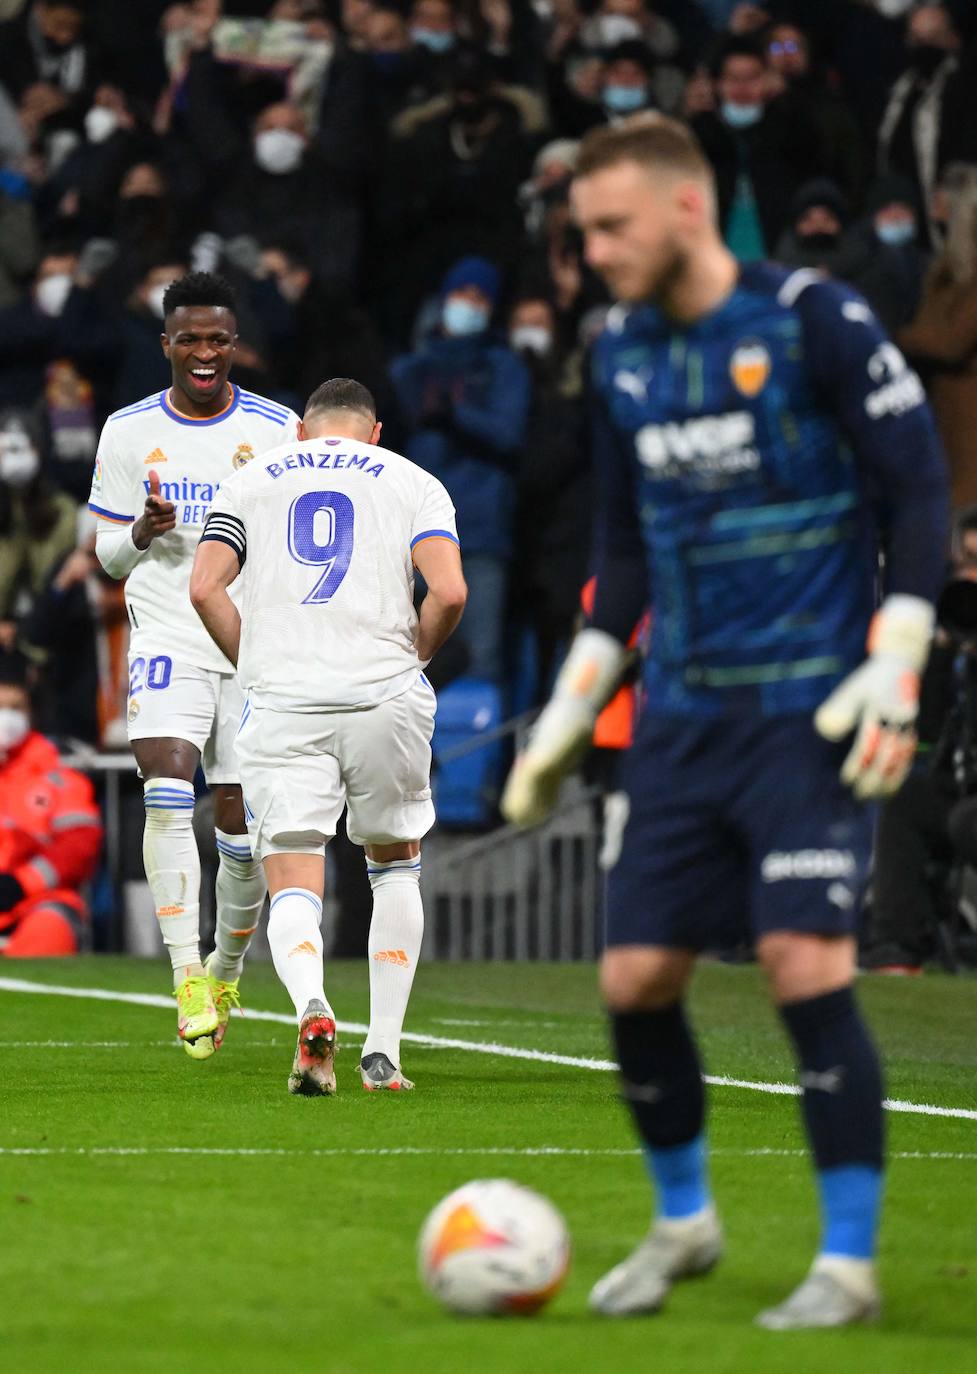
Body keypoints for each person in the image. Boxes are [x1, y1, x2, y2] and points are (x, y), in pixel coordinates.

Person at [502, 114, 947, 1328]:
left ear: (684, 209)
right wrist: (570, 709)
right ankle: (683, 1223)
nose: (590, 250)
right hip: (681, 721)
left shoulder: (811, 316)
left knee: (805, 967)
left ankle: (845, 1264)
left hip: (809, 707)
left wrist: (896, 655)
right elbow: (622, 550)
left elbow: (916, 490)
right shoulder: (620, 357)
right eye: (581, 230)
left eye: (610, 226)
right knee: (634, 980)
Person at [189, 377, 466, 1096]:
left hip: (284, 701)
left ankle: (311, 1004)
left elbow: (203, 587)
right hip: (383, 694)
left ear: (302, 434)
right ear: (372, 433)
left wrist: (255, 664)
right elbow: (452, 591)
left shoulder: (249, 480)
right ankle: (382, 1051)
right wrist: (415, 655)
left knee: (292, 869)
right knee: (394, 863)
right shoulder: (414, 481)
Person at [88, 269, 300, 1059]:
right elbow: (108, 559)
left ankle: (224, 966)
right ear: (166, 344)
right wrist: (143, 530)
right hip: (170, 633)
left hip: (250, 643)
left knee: (242, 833)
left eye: (218, 338)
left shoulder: (280, 430)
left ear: (233, 342)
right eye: (190, 338)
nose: (204, 352)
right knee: (168, 791)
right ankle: (185, 977)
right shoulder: (126, 431)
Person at [0, 649, 102, 957]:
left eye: (15, 707)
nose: (6, 716)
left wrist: (22, 883)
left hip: (37, 904)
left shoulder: (58, 776)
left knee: (51, 927)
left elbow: (78, 845)